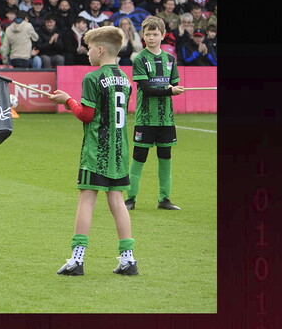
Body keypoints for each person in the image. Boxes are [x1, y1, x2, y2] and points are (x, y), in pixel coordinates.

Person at [48, 25, 138, 276]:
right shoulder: (124, 78)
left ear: (100, 50)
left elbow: (87, 115)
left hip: (96, 150)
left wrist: (67, 100)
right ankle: (128, 259)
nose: (87, 53)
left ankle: (77, 259)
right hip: (119, 151)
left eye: (89, 48)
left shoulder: (92, 77)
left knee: (86, 200)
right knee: (117, 202)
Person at [125, 17, 186, 213]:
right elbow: (146, 88)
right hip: (145, 119)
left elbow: (174, 84)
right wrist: (169, 90)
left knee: (165, 156)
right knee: (139, 157)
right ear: (143, 36)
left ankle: (164, 199)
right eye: (148, 34)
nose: (151, 37)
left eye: (155, 34)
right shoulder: (140, 59)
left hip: (166, 119)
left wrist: (174, 88)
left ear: (162, 35)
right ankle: (130, 199)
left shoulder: (170, 60)